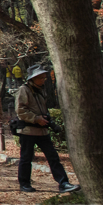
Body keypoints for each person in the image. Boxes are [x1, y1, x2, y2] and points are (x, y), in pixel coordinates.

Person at [15, 64, 80, 193]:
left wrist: (47, 120)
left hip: (42, 131)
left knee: (53, 157)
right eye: (40, 77)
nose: (43, 79)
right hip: (28, 130)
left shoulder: (41, 91)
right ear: (32, 78)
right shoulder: (24, 90)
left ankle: (64, 183)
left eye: (44, 77)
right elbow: (20, 110)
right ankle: (24, 183)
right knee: (26, 158)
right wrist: (36, 118)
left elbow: (43, 109)